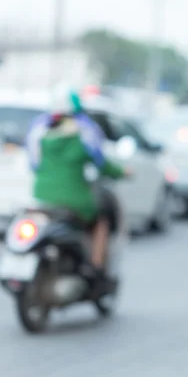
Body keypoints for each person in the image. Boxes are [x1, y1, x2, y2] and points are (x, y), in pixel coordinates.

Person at [26, 84, 130, 295]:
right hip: (75, 200)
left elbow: (34, 164)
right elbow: (101, 163)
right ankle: (97, 266)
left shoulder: (39, 129)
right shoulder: (84, 130)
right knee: (100, 223)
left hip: (41, 198)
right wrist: (122, 172)